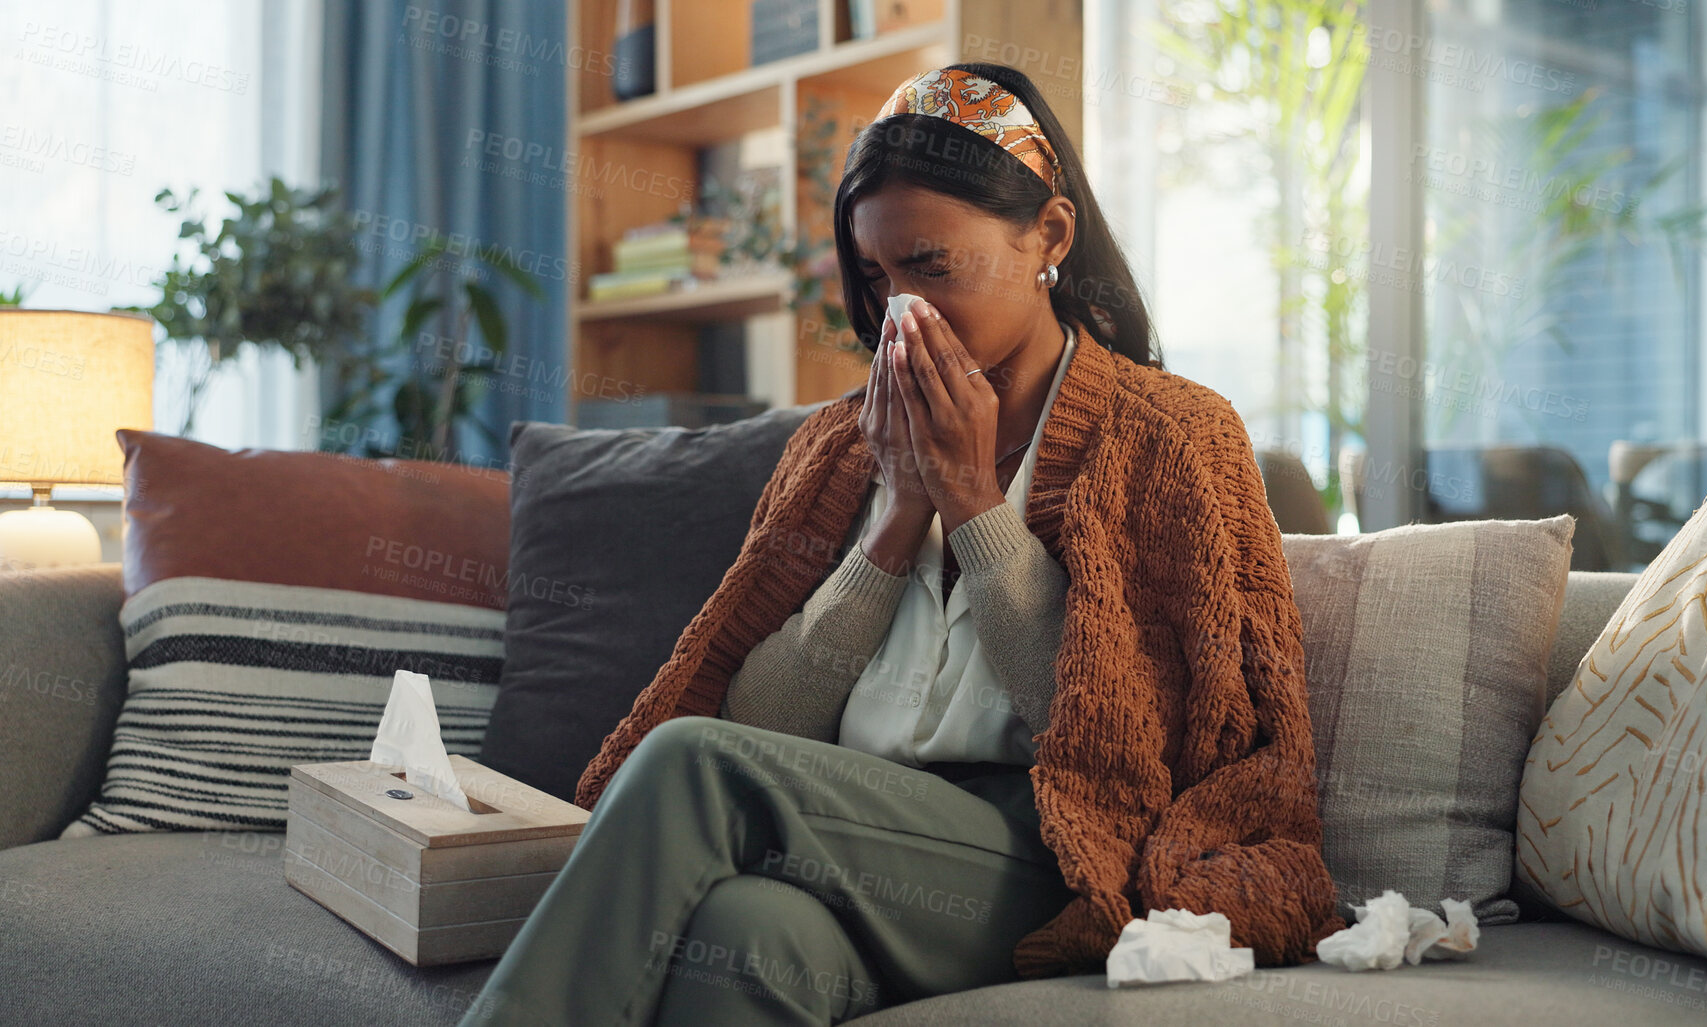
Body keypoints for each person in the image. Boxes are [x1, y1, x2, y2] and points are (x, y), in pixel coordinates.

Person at [459, 62, 1342, 1027]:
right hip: (852, 836)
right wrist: (893, 522)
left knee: (689, 764)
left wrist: (971, 501)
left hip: (1058, 850)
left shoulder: (1170, 435)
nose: (897, 312)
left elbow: (1130, 749)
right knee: (747, 935)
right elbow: (766, 722)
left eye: (931, 266)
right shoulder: (839, 447)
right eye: (877, 277)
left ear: (1048, 235)